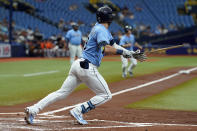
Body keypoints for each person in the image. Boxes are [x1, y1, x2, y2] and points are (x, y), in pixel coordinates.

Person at [24, 6, 146, 125]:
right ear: (109, 18)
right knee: (106, 95)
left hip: (78, 65)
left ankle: (33, 109)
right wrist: (126, 53)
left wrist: (130, 53)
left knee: (61, 93)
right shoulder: (101, 30)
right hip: (87, 67)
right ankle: (78, 110)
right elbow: (107, 49)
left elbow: (114, 46)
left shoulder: (100, 29)